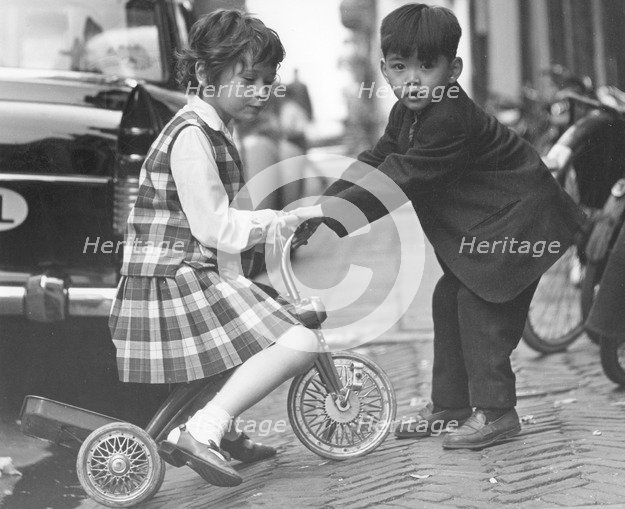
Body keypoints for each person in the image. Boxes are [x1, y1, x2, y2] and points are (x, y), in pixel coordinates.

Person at [296, 3, 587, 450]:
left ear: (454, 70)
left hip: (524, 222)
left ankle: (497, 412)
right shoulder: (406, 113)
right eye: (400, 67)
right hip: (494, 225)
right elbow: (377, 161)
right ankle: (451, 405)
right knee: (448, 294)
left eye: (427, 66)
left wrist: (328, 216)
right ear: (385, 70)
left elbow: (403, 176)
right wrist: (320, 207)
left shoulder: (450, 117)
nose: (412, 79)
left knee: (478, 302)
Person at [109, 10, 323, 487]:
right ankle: (203, 429)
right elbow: (212, 226)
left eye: (268, 81)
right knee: (299, 340)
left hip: (183, 272)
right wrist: (269, 224)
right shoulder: (190, 136)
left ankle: (222, 432)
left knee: (251, 335)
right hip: (171, 280)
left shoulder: (215, 128)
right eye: (248, 79)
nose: (261, 91)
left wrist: (274, 226)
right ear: (204, 74)